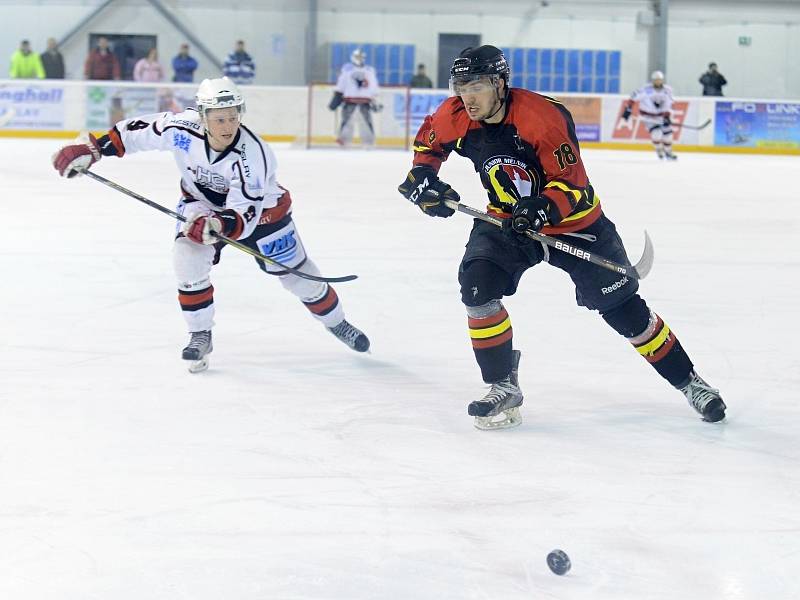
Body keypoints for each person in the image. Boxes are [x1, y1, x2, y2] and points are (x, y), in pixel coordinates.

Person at [397, 45, 725, 430]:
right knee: (476, 286)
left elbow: (573, 183)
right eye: (461, 86)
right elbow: (427, 146)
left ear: (501, 84)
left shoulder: (542, 117)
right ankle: (503, 385)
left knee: (624, 311)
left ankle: (691, 383)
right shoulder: (454, 114)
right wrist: (424, 181)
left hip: (575, 224)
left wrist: (543, 207)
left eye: (478, 86)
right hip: (506, 219)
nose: (467, 97)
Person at [51, 77, 369, 372]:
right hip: (200, 203)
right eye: (219, 118)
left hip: (264, 215)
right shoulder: (180, 128)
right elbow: (131, 134)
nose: (228, 125)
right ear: (202, 116)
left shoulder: (254, 155)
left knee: (302, 278)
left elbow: (245, 214)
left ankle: (337, 322)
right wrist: (92, 149)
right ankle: (200, 335)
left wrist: (214, 224)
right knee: (186, 261)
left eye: (233, 116)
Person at [328, 49, 380, 148]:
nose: (359, 59)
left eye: (361, 57)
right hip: (349, 101)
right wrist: (336, 98)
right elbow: (341, 85)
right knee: (347, 120)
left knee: (366, 122)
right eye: (357, 57)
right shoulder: (347, 69)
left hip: (365, 102)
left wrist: (374, 100)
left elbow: (374, 87)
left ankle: (369, 141)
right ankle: (343, 139)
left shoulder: (369, 70)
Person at [621, 70, 677, 160]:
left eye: (659, 80)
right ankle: (659, 149)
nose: (658, 81)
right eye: (656, 80)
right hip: (648, 117)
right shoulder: (646, 90)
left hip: (661, 117)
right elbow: (633, 97)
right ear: (652, 80)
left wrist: (667, 116)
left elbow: (670, 104)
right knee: (656, 134)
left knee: (668, 135)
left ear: (662, 80)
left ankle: (668, 151)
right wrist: (628, 109)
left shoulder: (667, 90)